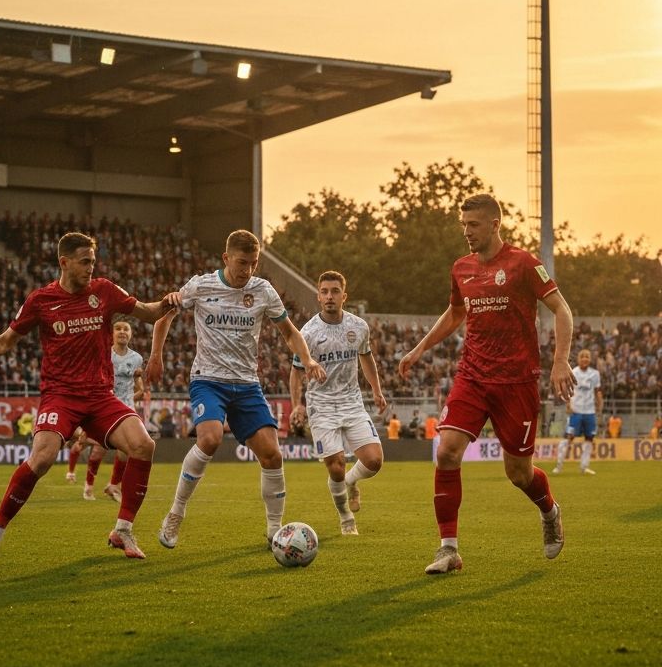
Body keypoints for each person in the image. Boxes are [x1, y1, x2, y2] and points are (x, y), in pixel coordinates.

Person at [0, 231, 175, 561]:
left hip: (99, 396)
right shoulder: (41, 300)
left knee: (143, 445)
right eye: (84, 262)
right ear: (64, 262)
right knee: (43, 458)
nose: (90, 268)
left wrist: (170, 303)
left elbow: (148, 312)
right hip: (60, 395)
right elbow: (7, 340)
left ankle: (122, 530)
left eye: (93, 262)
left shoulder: (104, 291)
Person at [398, 193, 574, 575]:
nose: (466, 232)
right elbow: (456, 312)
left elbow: (562, 309)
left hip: (517, 382)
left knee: (519, 474)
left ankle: (549, 510)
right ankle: (449, 549)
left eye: (473, 225)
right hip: (473, 376)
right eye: (463, 225)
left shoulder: (523, 263)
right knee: (446, 452)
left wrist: (560, 361)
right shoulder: (461, 268)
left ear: (495, 224)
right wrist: (418, 349)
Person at [146, 229, 325, 550]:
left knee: (272, 454)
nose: (248, 270)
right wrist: (156, 355)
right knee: (211, 439)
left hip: (246, 385)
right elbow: (164, 315)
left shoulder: (263, 290)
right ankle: (176, 513)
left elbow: (289, 332)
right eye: (242, 263)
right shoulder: (201, 285)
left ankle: (274, 530)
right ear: (226, 258)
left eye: (254, 264)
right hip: (208, 379)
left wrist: (308, 358)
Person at [289, 271, 387, 536]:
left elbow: (366, 358)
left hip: (352, 402)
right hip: (321, 406)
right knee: (336, 465)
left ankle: (352, 482)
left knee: (374, 461)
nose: (329, 296)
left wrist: (376, 390)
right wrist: (297, 405)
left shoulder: (359, 326)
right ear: (318, 296)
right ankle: (346, 518)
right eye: (324, 291)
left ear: (344, 296)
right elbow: (296, 371)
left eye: (334, 291)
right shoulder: (307, 333)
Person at [88, 319, 145, 503]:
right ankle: (89, 486)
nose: (122, 332)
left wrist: (139, 379)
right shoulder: (105, 354)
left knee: (130, 447)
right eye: (118, 329)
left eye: (126, 329)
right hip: (106, 405)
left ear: (131, 334)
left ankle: (114, 485)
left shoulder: (136, 358)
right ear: (112, 334)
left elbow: (139, 384)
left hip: (127, 406)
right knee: (97, 449)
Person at [553, 348, 602, 476]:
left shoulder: (595, 374)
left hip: (590, 412)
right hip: (576, 410)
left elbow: (598, 392)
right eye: (582, 357)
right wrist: (568, 404)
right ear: (579, 359)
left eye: (587, 357)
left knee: (589, 438)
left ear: (590, 359)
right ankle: (559, 465)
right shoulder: (573, 372)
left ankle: (584, 466)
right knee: (569, 437)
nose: (585, 359)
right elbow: (566, 389)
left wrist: (599, 406)